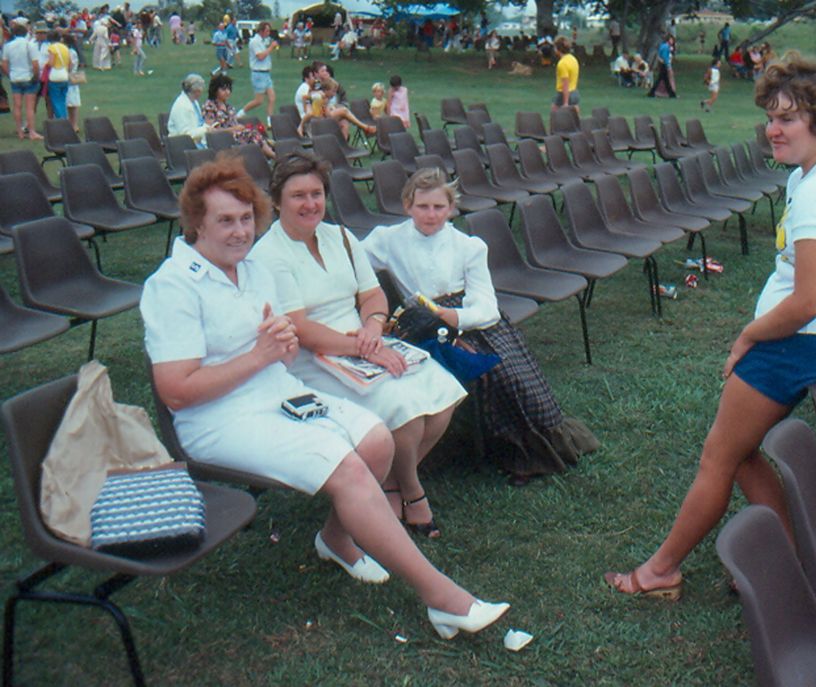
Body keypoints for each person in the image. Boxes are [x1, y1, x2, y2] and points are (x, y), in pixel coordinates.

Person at [142, 156, 510, 639]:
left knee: (376, 440)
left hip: (275, 391)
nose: (238, 231)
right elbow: (175, 392)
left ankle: (335, 540)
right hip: (217, 418)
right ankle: (442, 598)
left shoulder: (249, 270)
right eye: (224, 221)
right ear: (196, 223)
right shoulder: (171, 286)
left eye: (245, 219)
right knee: (350, 467)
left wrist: (280, 347)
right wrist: (262, 355)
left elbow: (276, 341)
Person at [604, 55, 816, 600]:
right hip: (815, 341)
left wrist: (749, 336)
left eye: (788, 119)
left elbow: (806, 301)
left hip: (793, 344)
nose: (772, 130)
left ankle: (661, 571)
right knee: (741, 451)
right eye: (770, 117)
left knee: (718, 457)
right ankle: (791, 550)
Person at [251, 153, 466, 538]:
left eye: (316, 194)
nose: (310, 204)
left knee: (443, 392)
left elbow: (372, 295)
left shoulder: (341, 238)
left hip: (364, 341)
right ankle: (413, 492)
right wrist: (366, 349)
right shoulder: (269, 253)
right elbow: (299, 328)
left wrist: (373, 326)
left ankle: (390, 485)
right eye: (298, 195)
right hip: (311, 359)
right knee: (404, 409)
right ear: (276, 200)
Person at [363, 168, 600, 481]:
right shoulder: (387, 239)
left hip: (470, 316)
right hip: (424, 323)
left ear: (451, 209)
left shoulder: (469, 246)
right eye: (422, 207)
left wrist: (458, 317)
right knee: (483, 371)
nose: (431, 215)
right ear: (408, 206)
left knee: (510, 371)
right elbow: (350, 262)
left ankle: (531, 447)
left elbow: (486, 304)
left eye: (439, 207)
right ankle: (495, 446)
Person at [202, 73, 276, 158]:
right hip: (223, 140)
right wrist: (233, 129)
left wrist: (239, 128)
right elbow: (211, 130)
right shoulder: (209, 106)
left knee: (258, 137)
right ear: (215, 90)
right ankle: (274, 156)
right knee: (253, 136)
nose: (227, 92)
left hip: (238, 137)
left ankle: (270, 157)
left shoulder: (229, 107)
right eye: (223, 89)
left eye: (229, 89)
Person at [1, 23, 42, 140]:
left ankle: (20, 132)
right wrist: (35, 76)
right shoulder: (30, 45)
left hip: (15, 77)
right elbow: (35, 64)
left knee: (17, 106)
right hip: (28, 76)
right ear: (26, 33)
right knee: (29, 106)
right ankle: (32, 132)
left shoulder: (8, 46)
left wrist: (9, 74)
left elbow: (4, 64)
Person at [239, 22, 278, 122]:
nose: (269, 33)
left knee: (272, 98)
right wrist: (271, 47)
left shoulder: (263, 41)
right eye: (267, 31)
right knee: (258, 101)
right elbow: (260, 56)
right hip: (258, 74)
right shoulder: (255, 42)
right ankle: (240, 114)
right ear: (261, 31)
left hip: (266, 74)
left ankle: (270, 121)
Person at [167, 73, 209, 147]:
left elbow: (198, 124)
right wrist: (206, 129)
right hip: (182, 146)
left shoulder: (194, 102)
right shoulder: (182, 106)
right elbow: (185, 135)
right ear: (196, 91)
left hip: (198, 142)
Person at [45, 30, 70, 119]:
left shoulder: (52, 48)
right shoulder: (65, 47)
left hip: (55, 76)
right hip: (65, 75)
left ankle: (61, 120)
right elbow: (69, 63)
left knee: (55, 100)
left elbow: (51, 63)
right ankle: (65, 118)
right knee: (62, 100)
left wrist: (46, 64)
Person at [551, 36, 580, 113]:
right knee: (575, 116)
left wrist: (565, 103)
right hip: (574, 92)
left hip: (564, 94)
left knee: (554, 113)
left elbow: (565, 83)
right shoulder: (573, 59)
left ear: (558, 49)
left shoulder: (562, 64)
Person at [647, 33, 676, 98]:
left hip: (662, 64)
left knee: (664, 80)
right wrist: (668, 66)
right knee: (663, 80)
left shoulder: (662, 46)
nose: (672, 41)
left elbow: (659, 55)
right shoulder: (666, 47)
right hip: (664, 65)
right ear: (668, 40)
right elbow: (666, 58)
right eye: (671, 40)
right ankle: (671, 94)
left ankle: (671, 94)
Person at [63, 34, 82, 132]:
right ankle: (71, 124)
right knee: (70, 103)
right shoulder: (71, 52)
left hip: (70, 78)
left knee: (72, 103)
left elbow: (70, 66)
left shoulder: (71, 52)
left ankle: (74, 124)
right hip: (70, 78)